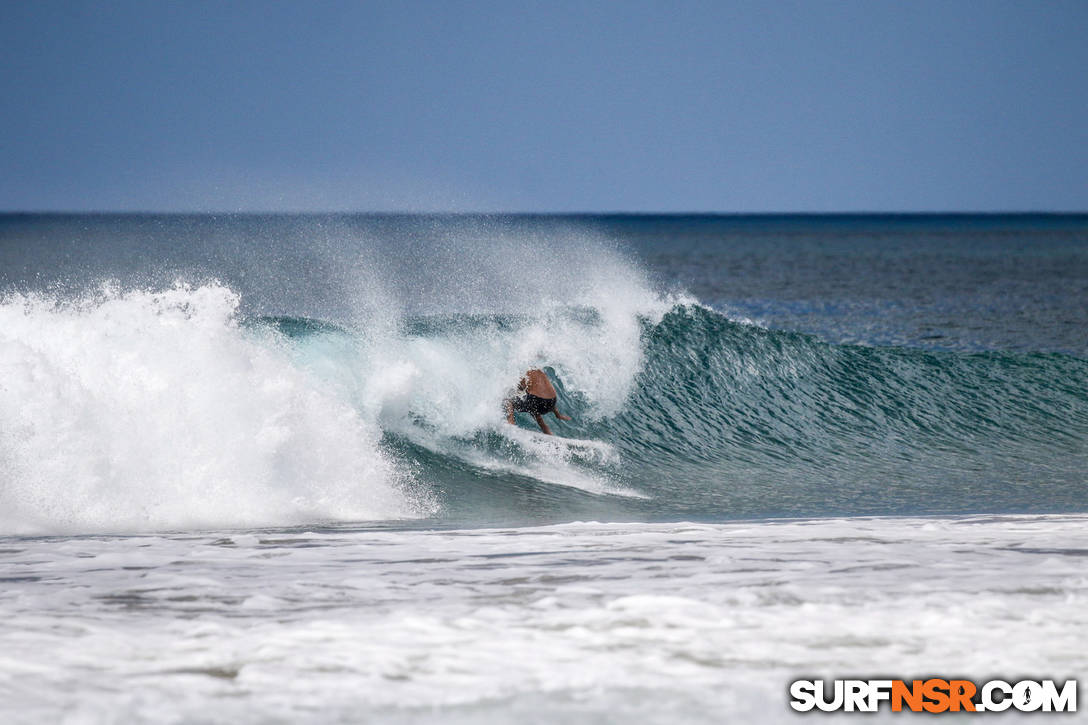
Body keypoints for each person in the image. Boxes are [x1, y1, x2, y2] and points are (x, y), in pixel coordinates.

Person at [504, 368, 572, 435]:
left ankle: (511, 426)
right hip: (552, 402)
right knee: (534, 407)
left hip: (538, 401)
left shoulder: (525, 373)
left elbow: (521, 389)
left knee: (509, 400)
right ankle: (556, 419)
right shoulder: (538, 370)